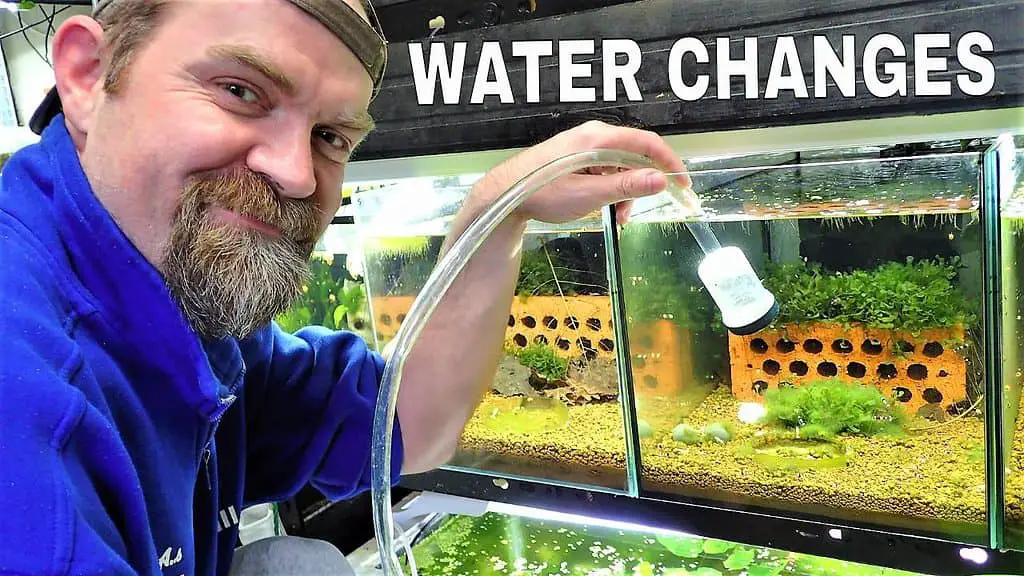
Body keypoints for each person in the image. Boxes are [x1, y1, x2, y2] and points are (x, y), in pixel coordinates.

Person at [0, 1, 691, 575]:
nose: (297, 174)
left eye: (330, 135)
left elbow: (403, 428)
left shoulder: (183, 311)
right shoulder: (27, 395)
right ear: (87, 76)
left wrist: (497, 213)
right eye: (241, 91)